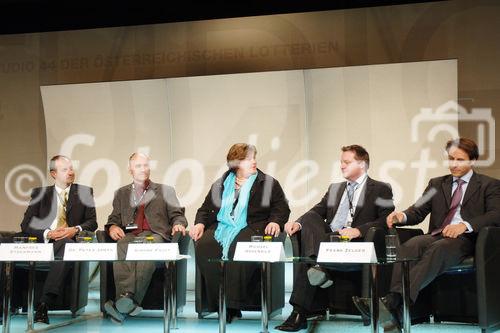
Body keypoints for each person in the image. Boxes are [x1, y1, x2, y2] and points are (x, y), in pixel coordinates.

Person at [354, 138, 500, 332]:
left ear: (472, 161)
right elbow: (418, 211)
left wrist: (465, 226)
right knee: (411, 245)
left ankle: (393, 300)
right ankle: (395, 305)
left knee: (438, 249)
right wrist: (402, 215)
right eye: (450, 159)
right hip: (437, 234)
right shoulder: (437, 184)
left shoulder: (489, 185)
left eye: (460, 159)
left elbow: (495, 214)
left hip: (467, 240)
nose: (454, 164)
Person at [276, 145, 394, 332]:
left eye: (346, 162)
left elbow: (385, 219)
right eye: (341, 162)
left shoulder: (380, 189)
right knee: (308, 218)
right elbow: (317, 211)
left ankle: (299, 312)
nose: (341, 166)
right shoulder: (335, 189)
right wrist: (297, 224)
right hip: (328, 239)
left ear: (362, 164)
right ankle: (318, 265)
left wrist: (358, 231)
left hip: (354, 241)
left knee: (310, 254)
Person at [190, 143, 290, 323]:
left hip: (254, 225)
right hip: (223, 226)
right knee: (205, 245)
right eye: (248, 159)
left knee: (238, 247)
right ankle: (217, 302)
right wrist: (199, 223)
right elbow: (205, 209)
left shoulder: (267, 183)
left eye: (254, 158)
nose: (254, 162)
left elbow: (281, 208)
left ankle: (232, 305)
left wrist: (275, 221)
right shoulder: (221, 184)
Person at [103, 153, 188, 324]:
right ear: (130, 170)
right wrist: (112, 227)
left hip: (155, 235)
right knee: (122, 244)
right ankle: (127, 301)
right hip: (130, 235)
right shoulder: (121, 193)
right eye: (138, 166)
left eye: (146, 165)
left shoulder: (165, 190)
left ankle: (124, 301)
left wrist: (179, 224)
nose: (143, 169)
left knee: (147, 245)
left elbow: (178, 215)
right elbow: (114, 219)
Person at [20, 155, 97, 324]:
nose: (70, 172)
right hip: (44, 244)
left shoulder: (84, 192)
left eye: (71, 168)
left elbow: (92, 222)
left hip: (70, 242)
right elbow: (25, 225)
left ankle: (43, 304)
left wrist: (75, 229)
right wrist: (48, 233)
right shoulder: (41, 194)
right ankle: (30, 304)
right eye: (65, 169)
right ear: (54, 174)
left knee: (67, 245)